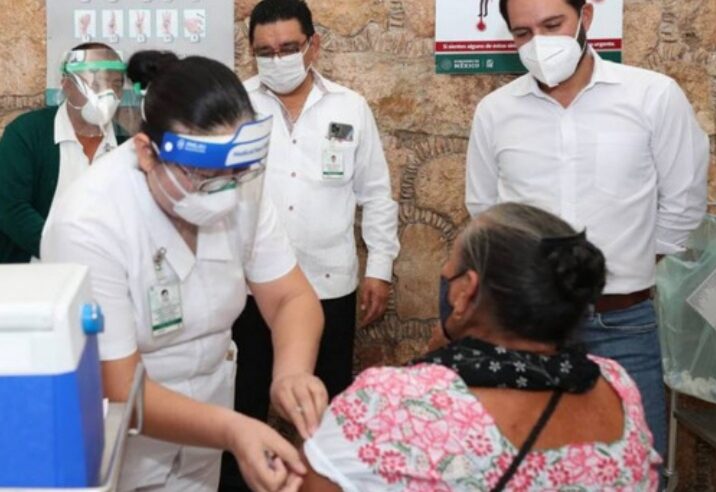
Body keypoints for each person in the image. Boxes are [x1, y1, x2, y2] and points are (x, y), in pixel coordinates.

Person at [41, 50, 328, 492]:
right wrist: (233, 429)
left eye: (233, 174)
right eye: (201, 175)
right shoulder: (88, 222)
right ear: (146, 153)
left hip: (207, 429)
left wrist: (291, 372)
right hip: (122, 442)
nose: (223, 192)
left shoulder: (240, 184)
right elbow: (121, 388)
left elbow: (291, 297)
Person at [464, 0, 709, 466]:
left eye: (553, 25)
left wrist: (629, 263)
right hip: (526, 326)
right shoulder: (495, 112)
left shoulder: (653, 96)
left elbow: (683, 203)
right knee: (528, 466)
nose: (539, 43)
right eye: (523, 33)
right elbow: (486, 212)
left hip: (623, 323)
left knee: (636, 464)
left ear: (586, 17)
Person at [300, 202, 662, 491]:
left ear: (464, 291)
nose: (444, 272)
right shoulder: (616, 387)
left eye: (449, 265)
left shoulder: (390, 400)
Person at [221, 1, 400, 489]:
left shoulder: (349, 107)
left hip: (329, 285)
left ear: (313, 44)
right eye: (265, 51)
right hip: (251, 291)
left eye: (287, 48)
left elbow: (377, 195)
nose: (277, 59)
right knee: (244, 409)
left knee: (325, 417)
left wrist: (379, 267)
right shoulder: (234, 105)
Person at [0, 42, 127, 263]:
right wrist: (69, 252)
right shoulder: (27, 134)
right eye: (94, 83)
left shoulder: (128, 145)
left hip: (107, 274)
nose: (107, 95)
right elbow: (12, 209)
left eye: (115, 85)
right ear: (66, 84)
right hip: (34, 273)